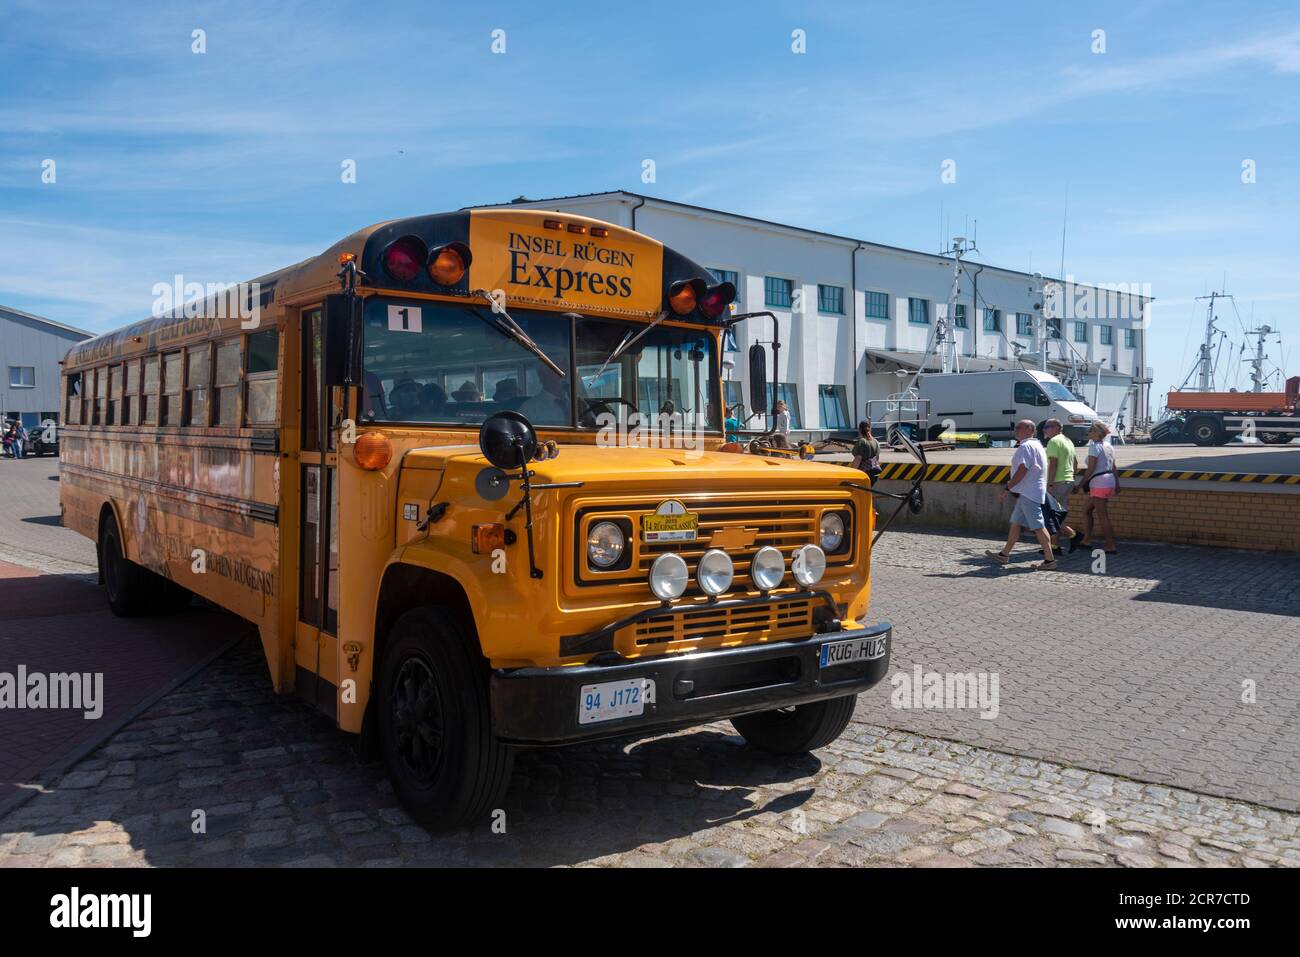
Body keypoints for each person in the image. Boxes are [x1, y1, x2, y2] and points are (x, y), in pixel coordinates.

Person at [986, 419, 1056, 570]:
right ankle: (1004, 554)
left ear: (1030, 430)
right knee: (1016, 523)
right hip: (1030, 491)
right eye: (1016, 427)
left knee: (1038, 526)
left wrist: (1007, 488)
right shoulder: (1037, 445)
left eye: (1019, 427)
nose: (1016, 430)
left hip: (1029, 493)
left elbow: (1022, 469)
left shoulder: (1025, 446)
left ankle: (1050, 560)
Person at [1073, 420, 1120, 554]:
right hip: (1108, 480)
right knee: (1086, 510)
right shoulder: (1109, 446)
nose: (1089, 433)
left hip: (1099, 483)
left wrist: (1080, 485)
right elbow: (1113, 466)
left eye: (1091, 430)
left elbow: (1091, 469)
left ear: (1096, 433)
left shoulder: (1094, 447)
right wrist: (1117, 483)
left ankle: (1110, 545)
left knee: (1102, 516)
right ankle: (1086, 540)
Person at [1041, 418, 1079, 553]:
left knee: (1051, 515)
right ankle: (1055, 546)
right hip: (1067, 481)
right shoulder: (1068, 441)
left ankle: (1073, 535)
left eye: (1048, 426)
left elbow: (1053, 464)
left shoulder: (1054, 441)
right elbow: (1075, 462)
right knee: (1058, 515)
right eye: (1045, 427)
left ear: (1057, 427)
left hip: (1057, 482)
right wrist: (1073, 479)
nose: (1045, 429)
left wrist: (1049, 484)